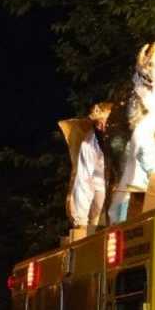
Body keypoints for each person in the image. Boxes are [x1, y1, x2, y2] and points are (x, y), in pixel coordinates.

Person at [66, 102, 112, 240]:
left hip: (111, 184)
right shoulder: (89, 143)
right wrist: (81, 221)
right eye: (101, 122)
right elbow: (83, 180)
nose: (105, 125)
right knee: (93, 222)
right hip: (96, 184)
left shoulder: (116, 135)